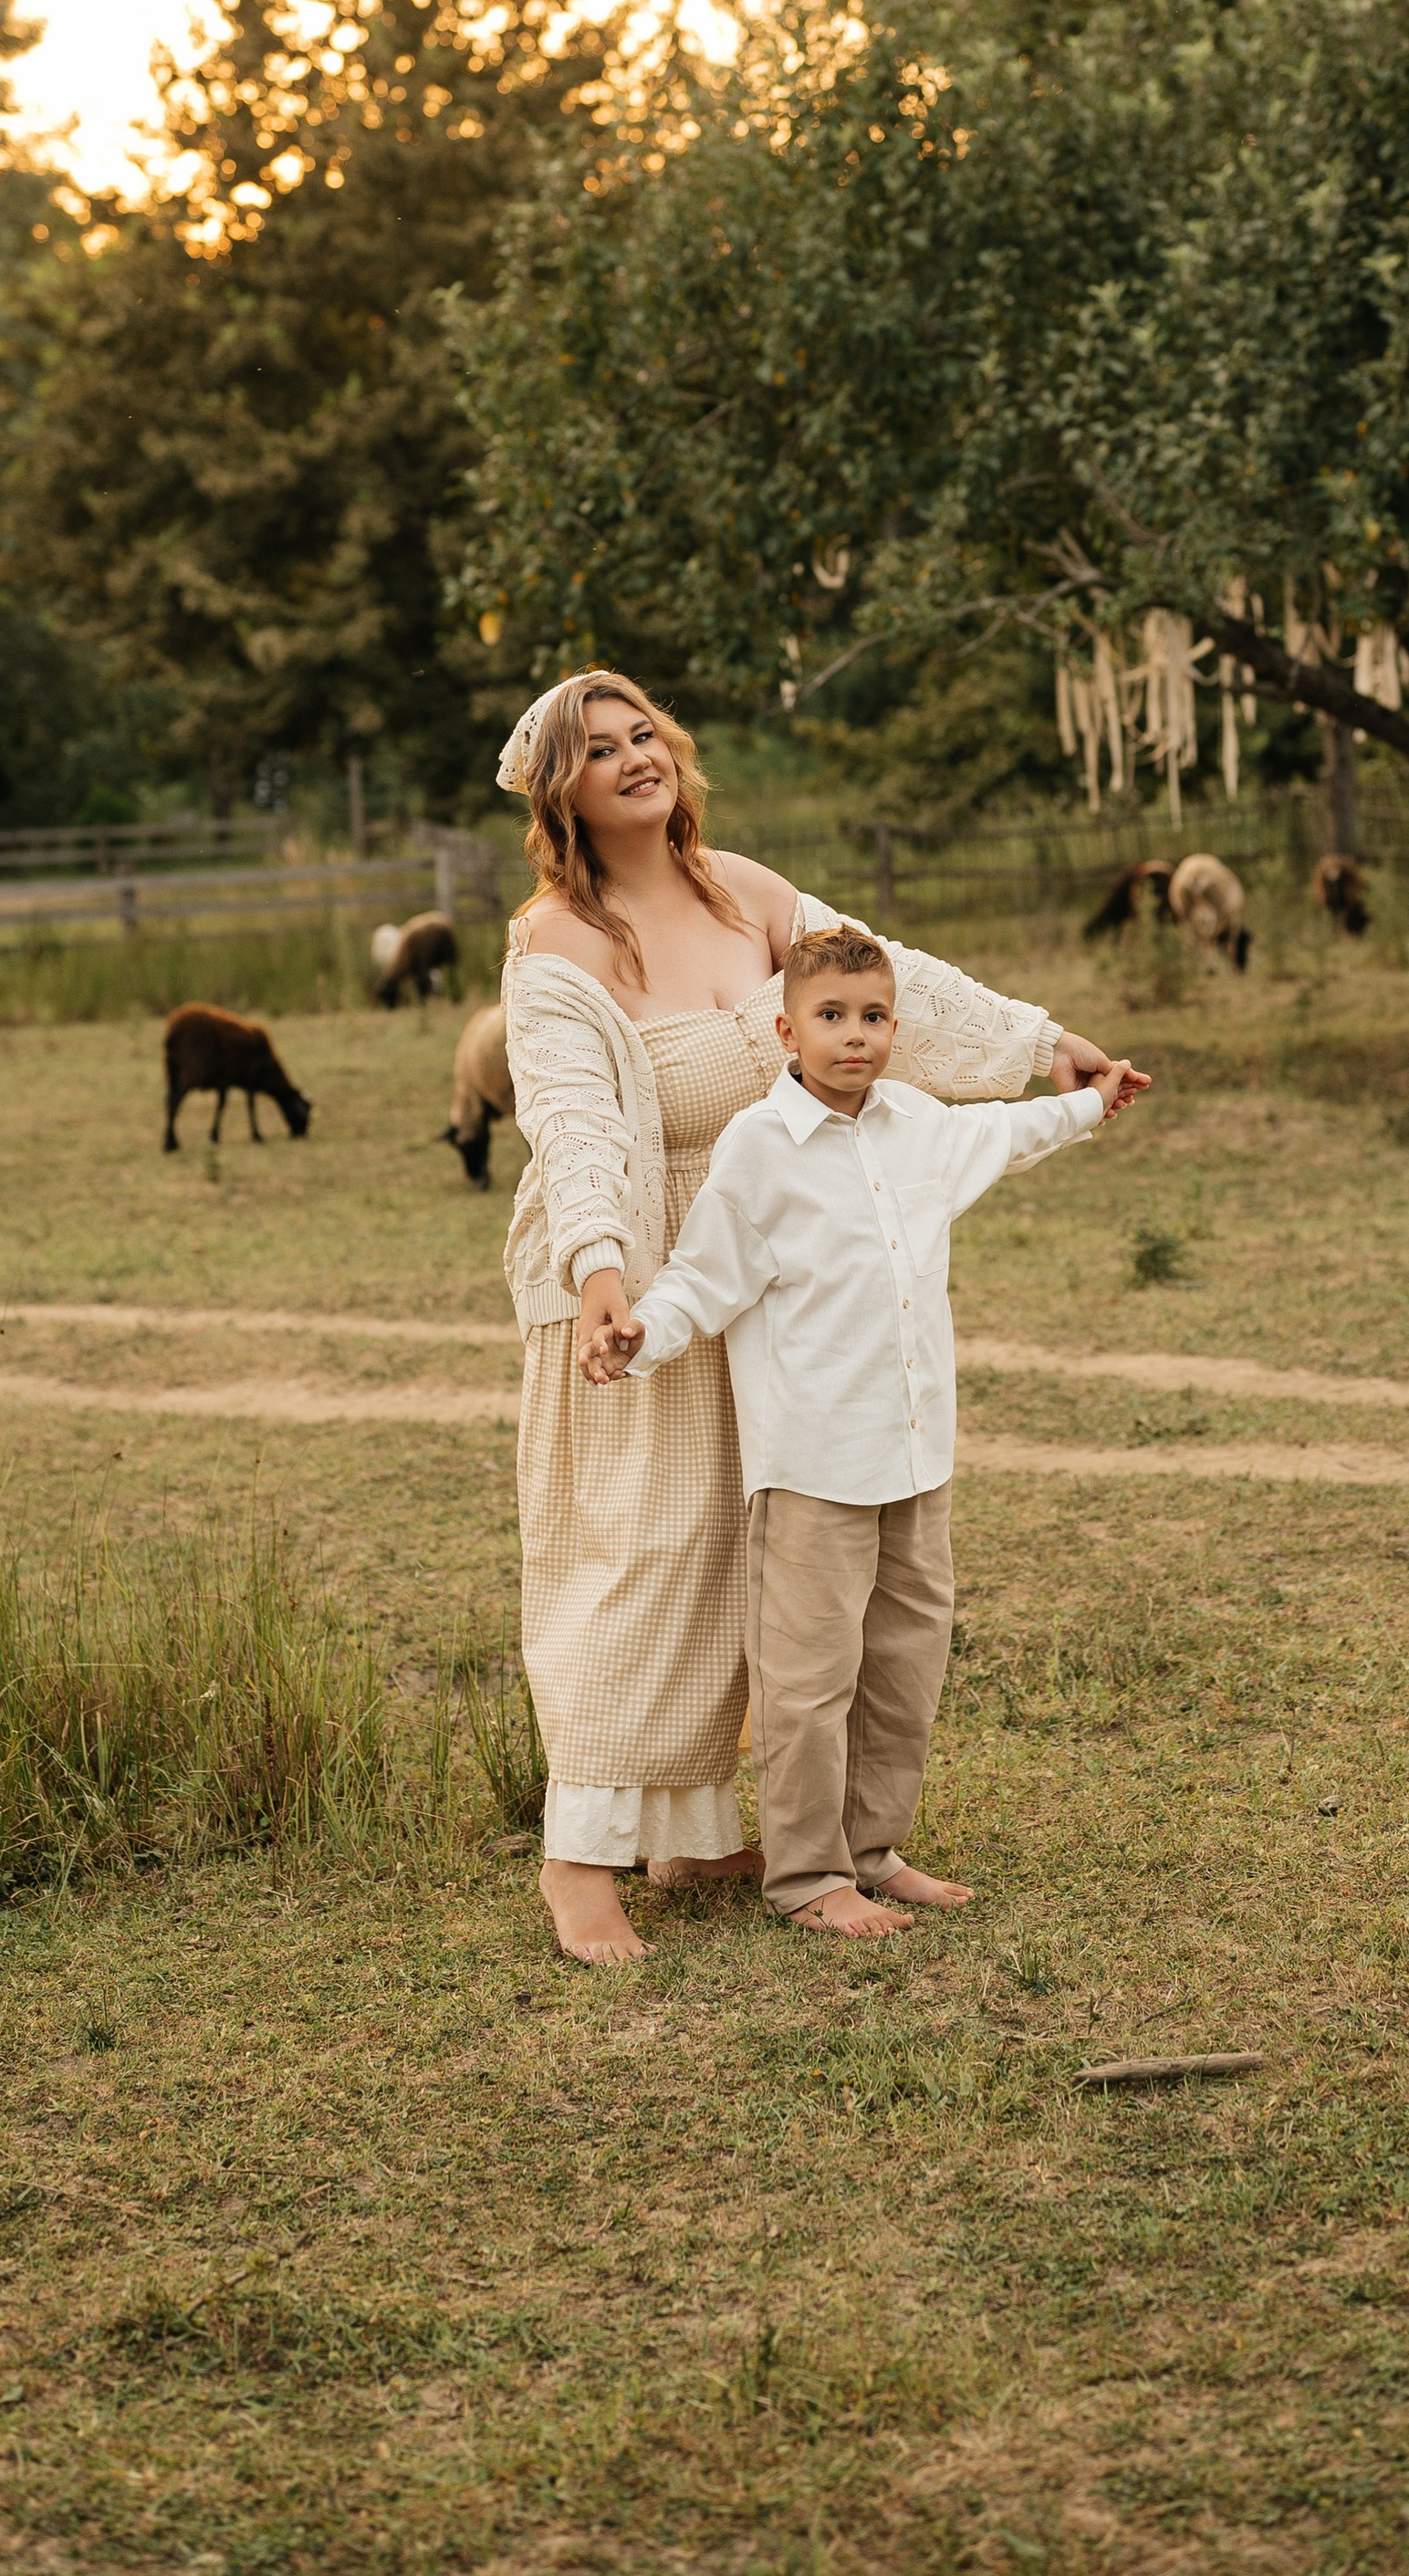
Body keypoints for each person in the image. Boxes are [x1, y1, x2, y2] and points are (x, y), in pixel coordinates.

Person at [496, 667, 1148, 1966]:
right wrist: (601, 1270)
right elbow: (572, 1121)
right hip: (643, 1269)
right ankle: (582, 1861)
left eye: (645, 735)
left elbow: (900, 985)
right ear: (558, 791)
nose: (635, 758)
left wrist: (1041, 1046)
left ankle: (700, 1827)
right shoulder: (555, 944)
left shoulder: (753, 891)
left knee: (773, 1562)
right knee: (646, 1551)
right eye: (600, 749)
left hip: (797, 1272)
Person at [582, 924, 1141, 1932]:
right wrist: (638, 1334)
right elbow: (705, 1275)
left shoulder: (918, 1124)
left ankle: (873, 1848)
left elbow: (1001, 1136)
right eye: (832, 1017)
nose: (855, 1036)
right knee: (808, 1679)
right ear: (789, 1030)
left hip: (915, 1451)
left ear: (895, 1026)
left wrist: (1089, 1101)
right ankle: (806, 1876)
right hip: (812, 1467)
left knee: (903, 1662)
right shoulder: (756, 1147)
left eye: (873, 1016)